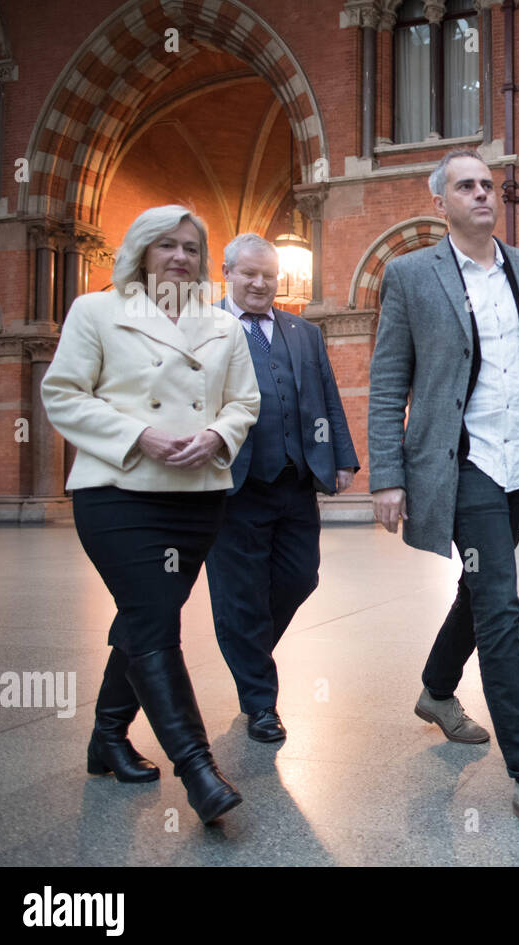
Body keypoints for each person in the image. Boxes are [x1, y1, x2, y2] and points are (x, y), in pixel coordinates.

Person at [368, 148, 519, 841]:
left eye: (487, 185)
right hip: (463, 463)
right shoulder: (411, 276)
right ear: (438, 201)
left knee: (479, 586)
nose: (481, 194)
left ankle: (437, 692)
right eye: (465, 186)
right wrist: (387, 475)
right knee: (500, 603)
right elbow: (389, 381)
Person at [41, 205, 260, 824]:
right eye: (167, 245)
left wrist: (219, 436)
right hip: (118, 491)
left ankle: (107, 737)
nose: (181, 257)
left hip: (196, 499)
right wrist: (139, 434)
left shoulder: (222, 324)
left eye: (192, 247)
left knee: (146, 617)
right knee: (156, 622)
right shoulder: (97, 311)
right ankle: (197, 769)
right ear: (141, 251)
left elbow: (245, 401)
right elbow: (61, 395)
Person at [203, 234, 359, 744]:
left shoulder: (303, 332)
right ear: (227, 271)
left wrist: (341, 456)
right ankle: (260, 703)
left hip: (294, 479)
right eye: (248, 273)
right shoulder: (203, 328)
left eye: (268, 275)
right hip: (231, 484)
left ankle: (245, 649)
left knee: (300, 577)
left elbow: (327, 396)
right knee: (240, 593)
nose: (259, 283)